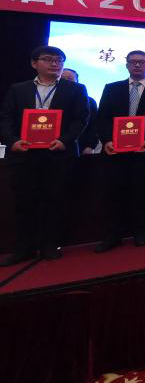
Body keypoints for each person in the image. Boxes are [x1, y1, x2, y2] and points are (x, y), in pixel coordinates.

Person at [0, 46, 89, 264]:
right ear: (34, 63)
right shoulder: (18, 89)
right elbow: (6, 118)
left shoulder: (76, 89)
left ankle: (49, 245)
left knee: (55, 201)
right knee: (24, 202)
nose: (55, 64)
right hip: (24, 154)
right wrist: (13, 141)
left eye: (59, 60)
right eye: (48, 59)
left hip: (57, 154)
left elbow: (81, 119)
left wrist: (64, 140)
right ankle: (24, 248)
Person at [94, 51, 145, 251]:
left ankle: (141, 232)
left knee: (143, 192)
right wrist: (107, 140)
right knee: (114, 193)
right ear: (127, 65)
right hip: (115, 151)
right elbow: (102, 118)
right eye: (133, 62)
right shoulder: (111, 88)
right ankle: (113, 234)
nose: (137, 65)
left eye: (142, 62)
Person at [61, 68, 99, 154]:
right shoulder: (54, 98)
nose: (66, 81)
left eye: (70, 79)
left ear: (77, 81)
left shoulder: (89, 101)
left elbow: (94, 125)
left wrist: (90, 146)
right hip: (56, 144)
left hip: (82, 146)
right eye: (62, 78)